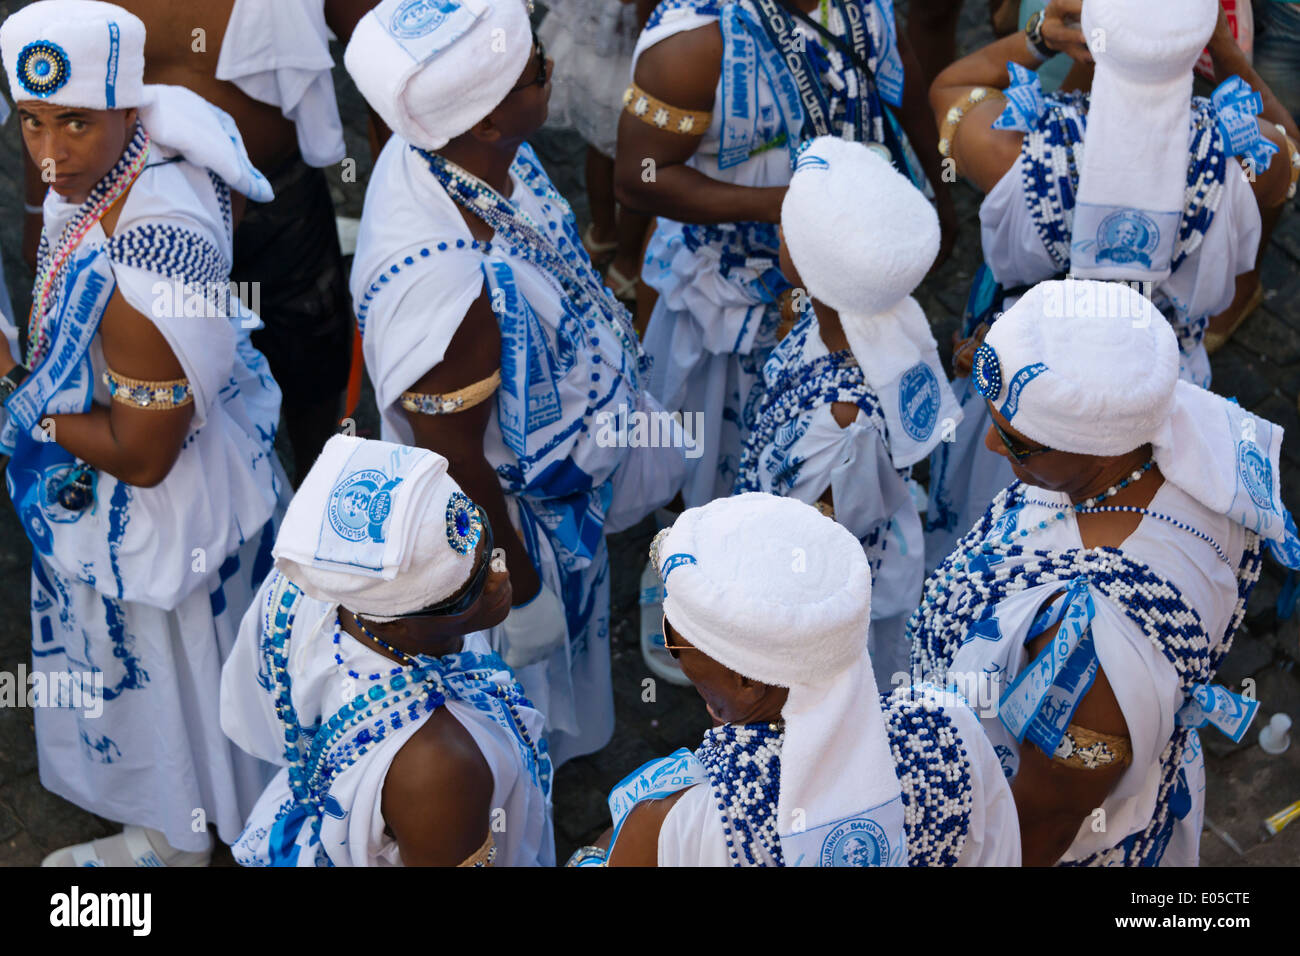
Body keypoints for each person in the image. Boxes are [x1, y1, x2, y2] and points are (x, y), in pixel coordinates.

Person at [344, 0, 685, 765]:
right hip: (515, 528)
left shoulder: (469, 151)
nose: (550, 68)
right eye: (534, 69)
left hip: (561, 475)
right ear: (488, 121)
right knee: (520, 716)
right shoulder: (451, 299)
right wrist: (520, 588)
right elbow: (457, 461)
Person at [0, 0, 285, 866]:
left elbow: (144, 456)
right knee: (204, 671)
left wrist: (15, 388)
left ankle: (174, 837)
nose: (50, 154)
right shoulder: (141, 157)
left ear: (128, 105)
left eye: (75, 121)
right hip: (192, 473)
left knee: (163, 672)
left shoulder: (141, 266)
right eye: (31, 122)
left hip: (155, 506)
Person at [909, 279, 1300, 866]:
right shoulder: (1179, 425)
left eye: (1016, 441)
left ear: (1095, 448)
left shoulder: (1091, 655)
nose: (990, 444)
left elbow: (1040, 826)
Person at [922, 0, 1299, 566]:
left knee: (996, 518)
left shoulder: (1017, 145)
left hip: (1033, 377)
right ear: (1197, 46)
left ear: (1092, 37)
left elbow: (949, 86)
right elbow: (1289, 149)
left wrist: (1042, 37)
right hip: (1161, 383)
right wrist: (1222, 49)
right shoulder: (1238, 156)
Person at [616, 0, 957, 510]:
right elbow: (639, 177)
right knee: (708, 453)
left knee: (842, 447)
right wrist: (800, 207)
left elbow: (902, 82)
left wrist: (939, 193)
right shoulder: (693, 43)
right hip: (728, 298)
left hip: (846, 280)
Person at [567, 493, 1020, 867]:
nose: (670, 651)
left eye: (675, 639)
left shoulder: (683, 822)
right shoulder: (948, 726)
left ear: (749, 682)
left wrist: (594, 852)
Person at [221, 436, 554, 867]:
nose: (499, 572)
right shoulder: (439, 766)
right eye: (469, 590)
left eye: (485, 540)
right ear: (397, 619)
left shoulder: (314, 583)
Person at [80, 0, 355, 483]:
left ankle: (330, 503)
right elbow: (49, 78)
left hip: (275, 203)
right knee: (152, 401)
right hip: (131, 218)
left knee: (313, 367)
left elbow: (384, 49)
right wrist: (39, 213)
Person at [733, 136, 961, 684]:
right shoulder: (860, 321)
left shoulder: (840, 423)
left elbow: (814, 553)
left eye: (788, 226)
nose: (779, 230)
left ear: (813, 269)